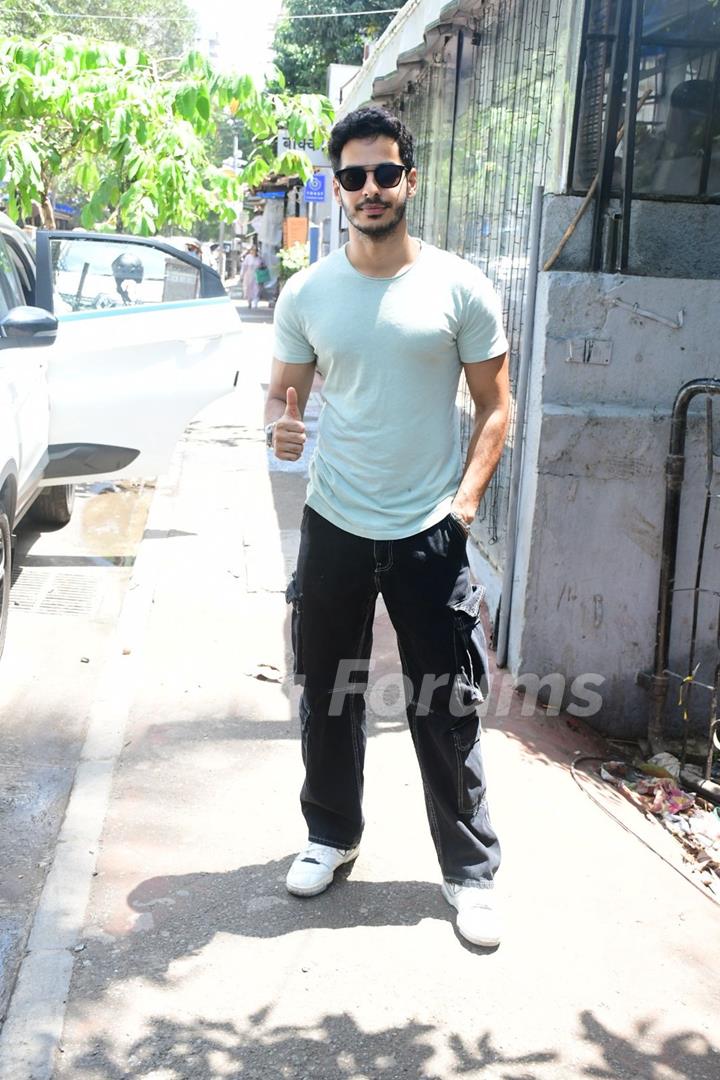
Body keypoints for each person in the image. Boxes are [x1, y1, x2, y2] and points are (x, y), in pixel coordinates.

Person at [264, 106, 509, 947]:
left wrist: (465, 505)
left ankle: (469, 874)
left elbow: (495, 410)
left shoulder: (459, 286)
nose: (371, 188)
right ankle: (331, 834)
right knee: (328, 694)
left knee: (446, 704)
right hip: (333, 519)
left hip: (428, 527)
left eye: (385, 172)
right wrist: (281, 429)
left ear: (411, 178)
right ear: (338, 190)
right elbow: (282, 395)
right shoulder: (308, 292)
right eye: (355, 176)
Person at [241, 244, 263, 308]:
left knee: (256, 289)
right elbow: (244, 266)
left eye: (255, 250)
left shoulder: (259, 258)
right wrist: (242, 275)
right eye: (252, 250)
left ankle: (255, 302)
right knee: (248, 289)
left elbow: (263, 266)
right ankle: (249, 302)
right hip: (248, 275)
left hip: (257, 275)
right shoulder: (248, 257)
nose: (253, 251)